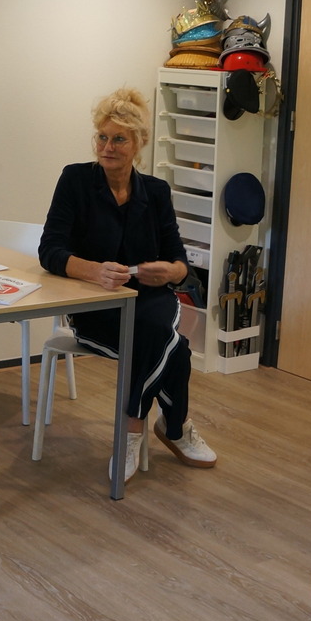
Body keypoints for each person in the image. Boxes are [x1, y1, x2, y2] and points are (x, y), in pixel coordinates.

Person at [39, 87, 217, 482]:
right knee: (174, 346)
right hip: (95, 305)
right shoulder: (75, 180)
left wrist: (168, 272)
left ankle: (130, 432)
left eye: (119, 139)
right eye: (102, 137)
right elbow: (49, 250)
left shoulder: (156, 192)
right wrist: (94, 271)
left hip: (151, 299)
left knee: (154, 328)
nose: (107, 147)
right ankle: (173, 428)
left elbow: (180, 264)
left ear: (138, 143)